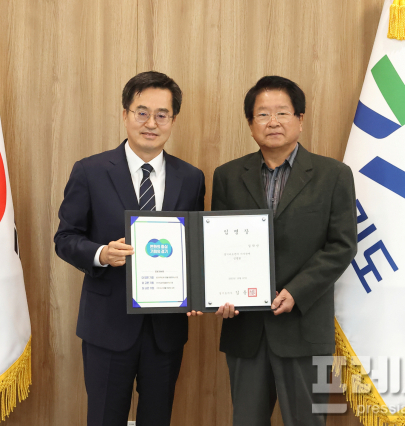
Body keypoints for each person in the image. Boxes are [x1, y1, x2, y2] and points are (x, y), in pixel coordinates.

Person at [54, 71, 205, 426]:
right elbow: (65, 238)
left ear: (173, 120)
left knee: (158, 418)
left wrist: (199, 291)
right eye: (142, 113)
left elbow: (195, 246)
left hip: (165, 330)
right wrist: (101, 255)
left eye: (162, 114)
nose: (151, 123)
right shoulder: (90, 171)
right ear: (125, 115)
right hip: (108, 326)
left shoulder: (191, 177)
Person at [212, 76, 357, 426]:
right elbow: (218, 245)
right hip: (246, 329)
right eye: (263, 114)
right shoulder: (227, 176)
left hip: (304, 327)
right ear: (251, 124)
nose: (273, 122)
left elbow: (342, 245)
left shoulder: (333, 175)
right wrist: (220, 293)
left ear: (300, 119)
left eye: (282, 113)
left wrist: (296, 291)